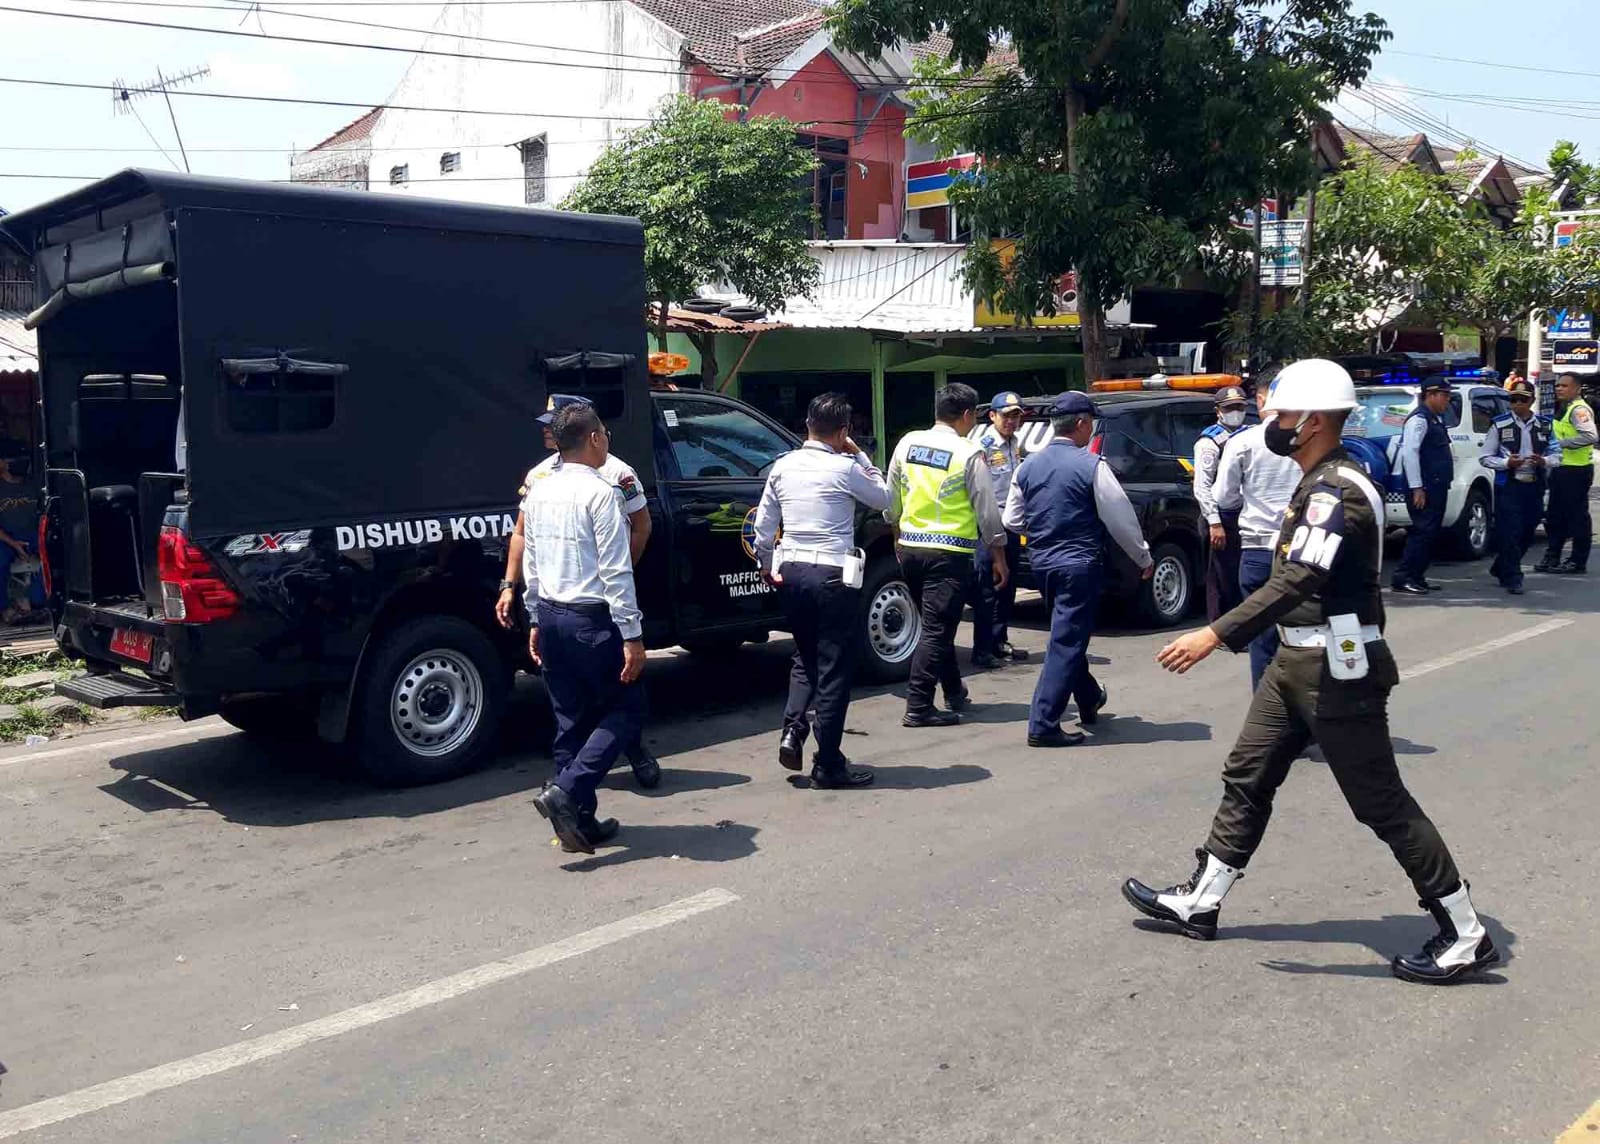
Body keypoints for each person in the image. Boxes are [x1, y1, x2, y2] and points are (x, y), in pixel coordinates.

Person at [1124, 358, 1498, 985]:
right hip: (1297, 659)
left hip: (1336, 667)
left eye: (1281, 415)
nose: (1271, 424)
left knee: (1380, 801)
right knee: (1248, 772)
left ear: (1315, 422)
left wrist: (1215, 633)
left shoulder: (1337, 491)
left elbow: (1303, 575)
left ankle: (1464, 930)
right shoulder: (1317, 479)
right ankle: (1202, 898)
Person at [497, 394, 661, 789]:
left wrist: (617, 580)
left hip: (593, 601)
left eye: (551, 422)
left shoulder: (615, 474)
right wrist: (510, 586)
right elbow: (524, 538)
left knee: (611, 698)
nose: (545, 431)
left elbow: (641, 527)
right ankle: (571, 799)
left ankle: (614, 766)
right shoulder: (539, 479)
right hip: (570, 609)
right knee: (607, 704)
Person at [526, 402, 648, 857]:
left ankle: (578, 823)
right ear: (594, 438)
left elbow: (534, 563)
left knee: (570, 721)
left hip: (553, 615)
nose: (608, 441)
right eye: (605, 435)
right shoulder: (601, 493)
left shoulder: (539, 490)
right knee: (627, 711)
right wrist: (632, 636)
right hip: (592, 620)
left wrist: (535, 618)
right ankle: (568, 791)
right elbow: (616, 572)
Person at [752, 393, 890, 789]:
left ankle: (793, 730)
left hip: (791, 570)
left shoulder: (782, 466)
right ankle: (828, 762)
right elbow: (885, 499)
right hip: (831, 573)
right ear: (844, 431)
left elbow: (764, 524)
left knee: (804, 655)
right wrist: (860, 456)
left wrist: (765, 563)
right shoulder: (845, 468)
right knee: (833, 667)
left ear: (807, 425)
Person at [1003, 392, 1153, 748]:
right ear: (1083, 424)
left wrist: (1043, 532)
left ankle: (1088, 697)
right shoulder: (1091, 465)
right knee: (1066, 640)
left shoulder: (1027, 466)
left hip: (1043, 563)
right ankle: (1043, 723)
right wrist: (1143, 559)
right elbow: (1121, 519)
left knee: (1066, 635)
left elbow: (1012, 519)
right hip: (1079, 563)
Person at [884, 383, 1008, 728]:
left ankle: (954, 692)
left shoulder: (908, 442)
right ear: (967, 415)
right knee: (937, 630)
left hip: (909, 548)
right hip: (948, 553)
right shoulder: (968, 453)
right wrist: (998, 553)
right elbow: (987, 511)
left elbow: (891, 494)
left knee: (937, 624)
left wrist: (895, 530)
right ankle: (919, 705)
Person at [1213, 383, 1301, 688]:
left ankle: (1269, 720)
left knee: (1262, 641)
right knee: (1307, 636)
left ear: (1261, 399)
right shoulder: (1309, 439)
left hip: (1258, 551)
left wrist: (1250, 499)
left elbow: (1224, 497)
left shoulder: (1244, 442)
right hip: (1302, 551)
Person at [971, 391, 1030, 669]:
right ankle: (982, 649)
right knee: (987, 588)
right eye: (1006, 416)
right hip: (986, 527)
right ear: (992, 416)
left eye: (1016, 416)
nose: (1011, 421)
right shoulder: (981, 446)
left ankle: (999, 640)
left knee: (1008, 586)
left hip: (1011, 525)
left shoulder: (1015, 444)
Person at [1480, 378, 1556, 594]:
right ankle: (1513, 577)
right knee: (1510, 531)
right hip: (1509, 485)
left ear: (1532, 401)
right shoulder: (1500, 424)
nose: (1518, 404)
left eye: (1523, 399)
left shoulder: (1545, 424)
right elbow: (1485, 457)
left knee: (1528, 530)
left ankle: (1501, 566)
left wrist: (1544, 461)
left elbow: (1557, 454)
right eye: (1513, 399)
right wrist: (1506, 463)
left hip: (1534, 485)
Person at [1392, 378, 1455, 595]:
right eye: (1444, 395)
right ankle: (1404, 576)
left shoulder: (1435, 419)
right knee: (1422, 532)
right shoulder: (1419, 419)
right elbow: (1410, 453)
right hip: (1424, 488)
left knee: (1430, 533)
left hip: (1436, 485)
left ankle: (1417, 576)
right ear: (1431, 395)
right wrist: (1417, 487)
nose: (1447, 400)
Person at [1195, 385, 1249, 621]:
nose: (1235, 412)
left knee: (1240, 572)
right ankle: (1222, 629)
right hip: (1220, 516)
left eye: (1239, 407)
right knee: (1222, 576)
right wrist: (1214, 522)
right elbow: (1202, 486)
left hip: (1243, 513)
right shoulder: (1210, 442)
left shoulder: (1249, 435)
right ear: (1218, 411)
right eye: (1229, 408)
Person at [1534, 373, 1596, 575]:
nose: (1559, 389)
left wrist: (1558, 444)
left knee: (1577, 517)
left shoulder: (1578, 410)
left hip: (1576, 470)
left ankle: (1577, 561)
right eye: (1558, 385)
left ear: (1577, 389)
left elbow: (1590, 435)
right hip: (1562, 468)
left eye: (1564, 386)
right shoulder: (1565, 407)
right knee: (1555, 516)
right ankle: (1553, 556)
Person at [0, 456, 43, 625]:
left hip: (34, 535)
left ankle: (33, 604)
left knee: (54, 554)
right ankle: (4, 608)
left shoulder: (34, 485)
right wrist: (14, 544)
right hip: (6, 537)